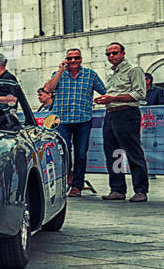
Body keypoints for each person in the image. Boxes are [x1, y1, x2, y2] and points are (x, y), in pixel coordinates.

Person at [42, 49, 105, 197]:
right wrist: (59, 71)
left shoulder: (90, 75)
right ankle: (64, 181)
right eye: (70, 58)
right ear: (66, 60)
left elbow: (103, 90)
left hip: (83, 119)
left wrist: (105, 99)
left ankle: (77, 185)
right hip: (62, 120)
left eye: (76, 58)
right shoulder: (59, 75)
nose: (73, 61)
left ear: (81, 59)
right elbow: (48, 89)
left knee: (81, 154)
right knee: (64, 152)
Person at [95, 42, 148, 202]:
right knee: (113, 153)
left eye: (115, 53)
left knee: (133, 152)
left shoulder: (134, 70)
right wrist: (105, 100)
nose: (111, 56)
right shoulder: (111, 73)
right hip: (111, 114)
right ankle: (117, 189)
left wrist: (114, 98)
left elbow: (140, 94)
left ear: (123, 54)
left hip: (127, 113)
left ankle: (140, 190)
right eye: (108, 54)